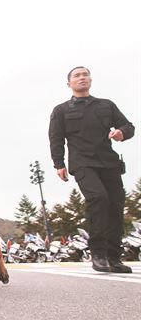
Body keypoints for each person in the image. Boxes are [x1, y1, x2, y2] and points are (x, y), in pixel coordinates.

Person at [48, 66, 135, 273]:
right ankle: (98, 254)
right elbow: (56, 138)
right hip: (82, 163)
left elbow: (128, 126)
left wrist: (122, 133)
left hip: (109, 163)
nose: (82, 78)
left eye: (85, 74)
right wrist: (58, 164)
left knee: (115, 206)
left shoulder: (106, 105)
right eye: (76, 75)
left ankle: (114, 257)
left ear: (91, 80)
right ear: (69, 83)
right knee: (98, 198)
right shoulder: (61, 110)